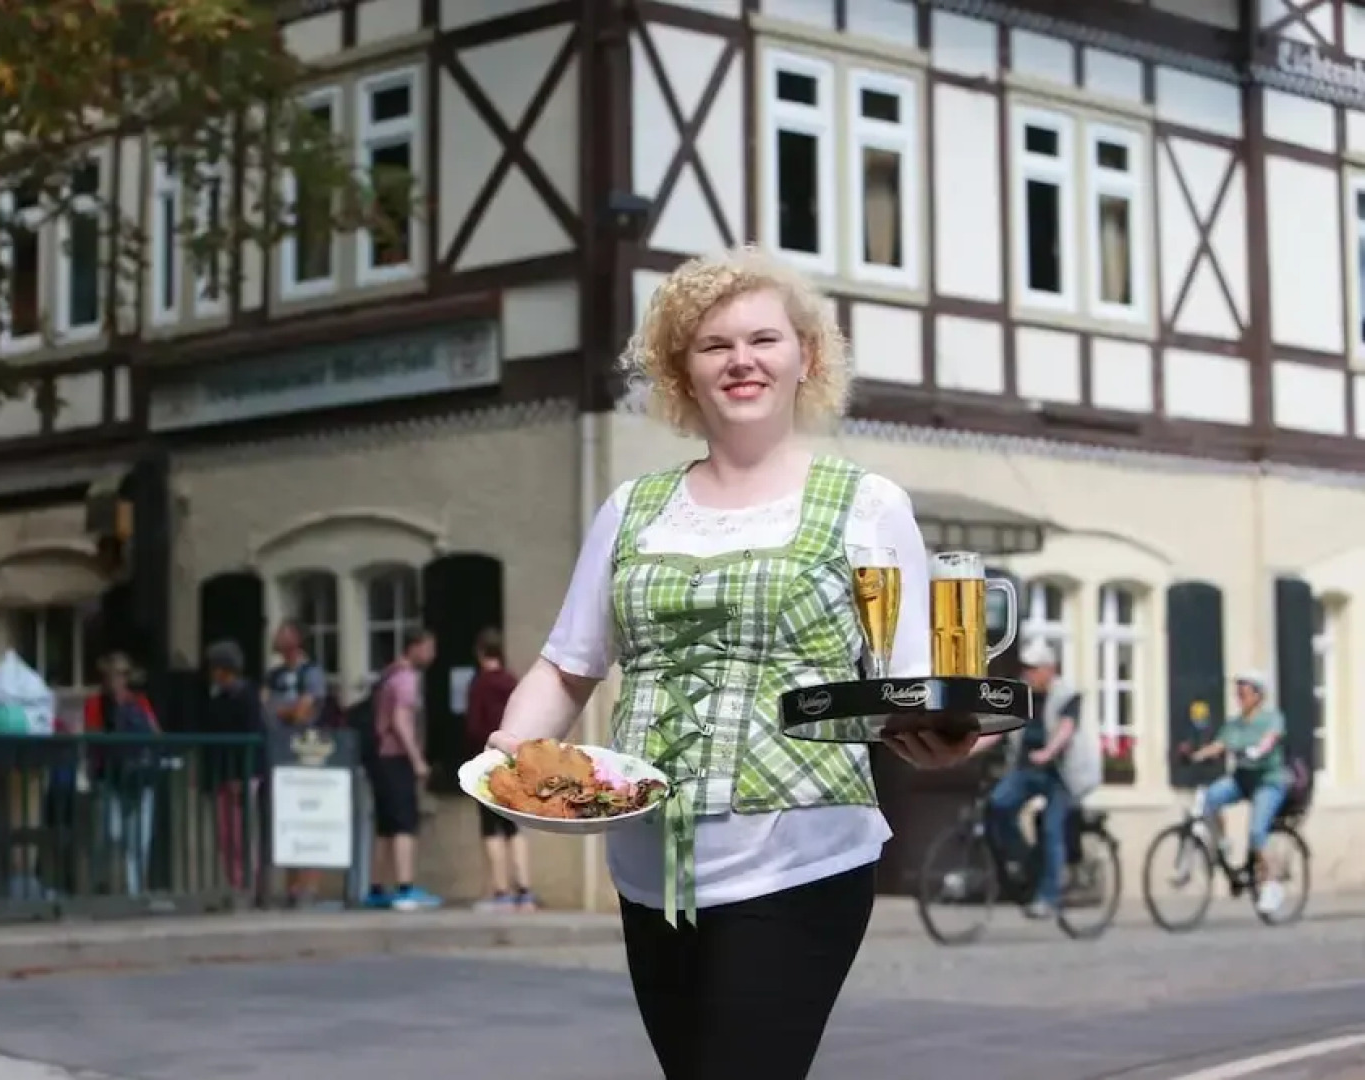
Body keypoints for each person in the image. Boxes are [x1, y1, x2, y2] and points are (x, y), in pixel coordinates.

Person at [486, 245, 987, 1080]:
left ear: (806, 357)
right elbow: (567, 668)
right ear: (681, 370)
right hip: (649, 866)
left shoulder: (868, 506)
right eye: (713, 345)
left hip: (801, 855)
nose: (741, 361)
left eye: (763, 340)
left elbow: (915, 683)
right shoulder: (630, 510)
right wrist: (510, 753)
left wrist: (954, 732)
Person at [987, 640, 1091, 918]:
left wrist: (1048, 752)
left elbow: (1067, 728)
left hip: (1061, 774)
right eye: (1026, 668)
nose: (1028, 674)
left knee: (1051, 828)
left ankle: (1049, 897)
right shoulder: (1024, 694)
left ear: (1049, 669)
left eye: (1033, 669)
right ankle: (1028, 860)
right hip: (1028, 768)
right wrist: (968, 748)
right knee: (997, 804)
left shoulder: (1067, 695)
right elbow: (1000, 726)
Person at [1184, 670, 1291, 916]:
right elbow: (1220, 745)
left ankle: (1272, 885)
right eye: (1238, 691)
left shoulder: (1271, 718)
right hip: (1242, 780)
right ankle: (1222, 842)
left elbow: (1271, 739)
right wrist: (1195, 756)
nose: (1240, 696)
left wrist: (1259, 750)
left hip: (1268, 781)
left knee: (1256, 832)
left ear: (1257, 695)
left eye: (1244, 691)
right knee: (1210, 798)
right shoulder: (1234, 725)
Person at [365, 628, 443, 912]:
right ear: (416, 647)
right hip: (396, 758)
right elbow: (401, 721)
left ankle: (376, 888)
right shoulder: (406, 679)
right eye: (429, 648)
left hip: (379, 758)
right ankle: (405, 887)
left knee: (385, 826)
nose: (432, 655)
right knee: (403, 823)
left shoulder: (388, 675)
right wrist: (417, 760)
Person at [463, 628, 537, 912]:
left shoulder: (479, 684)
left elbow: (473, 726)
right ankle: (525, 891)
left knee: (490, 827)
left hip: (486, 760)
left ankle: (501, 891)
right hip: (513, 759)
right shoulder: (511, 681)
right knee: (514, 825)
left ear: (481, 653)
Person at [84, 653, 162, 898]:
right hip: (109, 779)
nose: (115, 680)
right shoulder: (96, 704)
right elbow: (90, 737)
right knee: (111, 834)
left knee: (138, 841)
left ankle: (134, 892)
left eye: (120, 674)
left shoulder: (139, 703)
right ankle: (105, 886)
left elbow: (156, 734)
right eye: (110, 674)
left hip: (139, 778)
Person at [265, 620, 329, 907]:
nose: (276, 636)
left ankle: (309, 886)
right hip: (279, 753)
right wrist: (282, 711)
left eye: (283, 632)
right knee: (286, 821)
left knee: (309, 819)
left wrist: (283, 711)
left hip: (307, 753)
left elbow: (303, 712)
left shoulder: (311, 673)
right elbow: (264, 708)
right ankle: (290, 887)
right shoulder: (274, 675)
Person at [203, 640, 268, 892]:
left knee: (243, 834)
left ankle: (249, 885)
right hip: (223, 774)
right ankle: (235, 883)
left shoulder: (248, 696)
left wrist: (245, 775)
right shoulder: (217, 698)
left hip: (243, 775)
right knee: (225, 836)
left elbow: (253, 735)